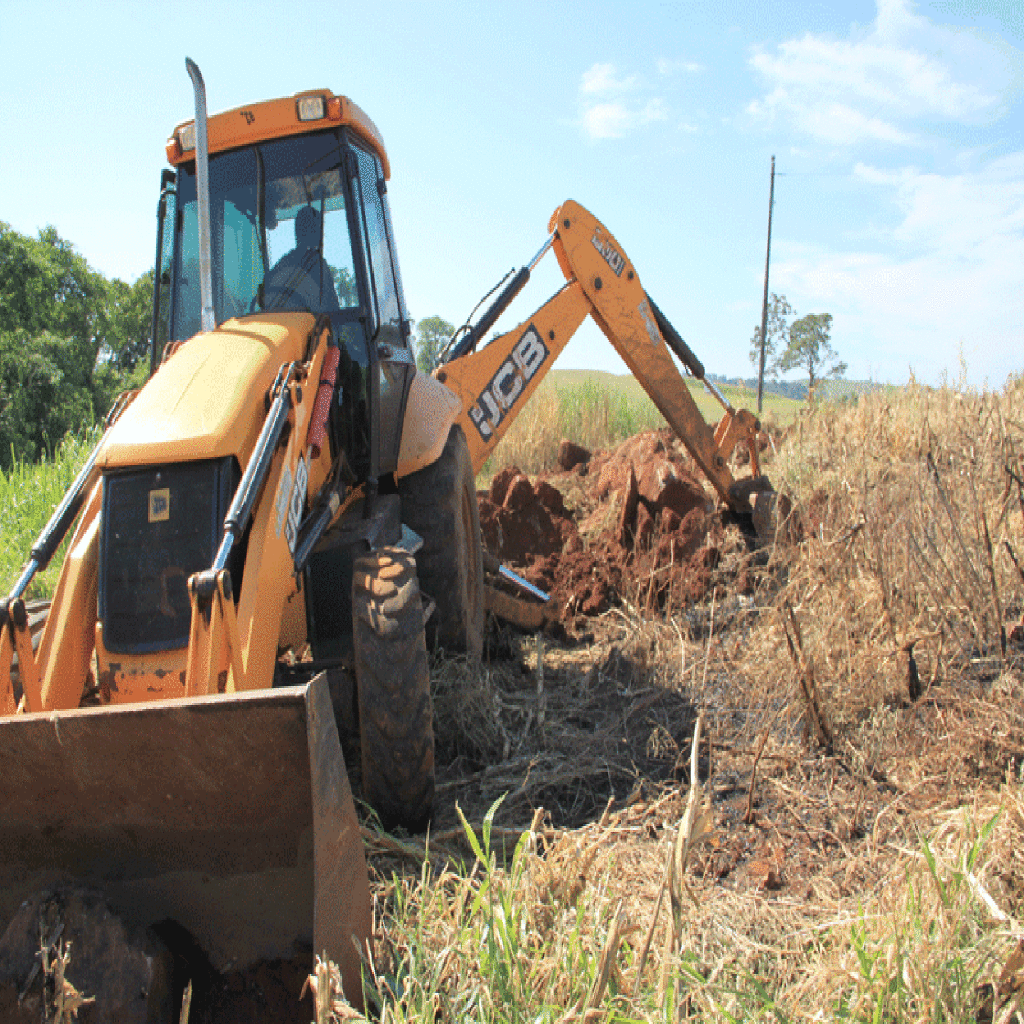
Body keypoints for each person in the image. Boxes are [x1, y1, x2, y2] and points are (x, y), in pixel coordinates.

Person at [262, 205, 340, 312]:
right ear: (314, 231)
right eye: (318, 228)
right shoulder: (318, 265)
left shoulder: (283, 263)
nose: (322, 234)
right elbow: (333, 310)